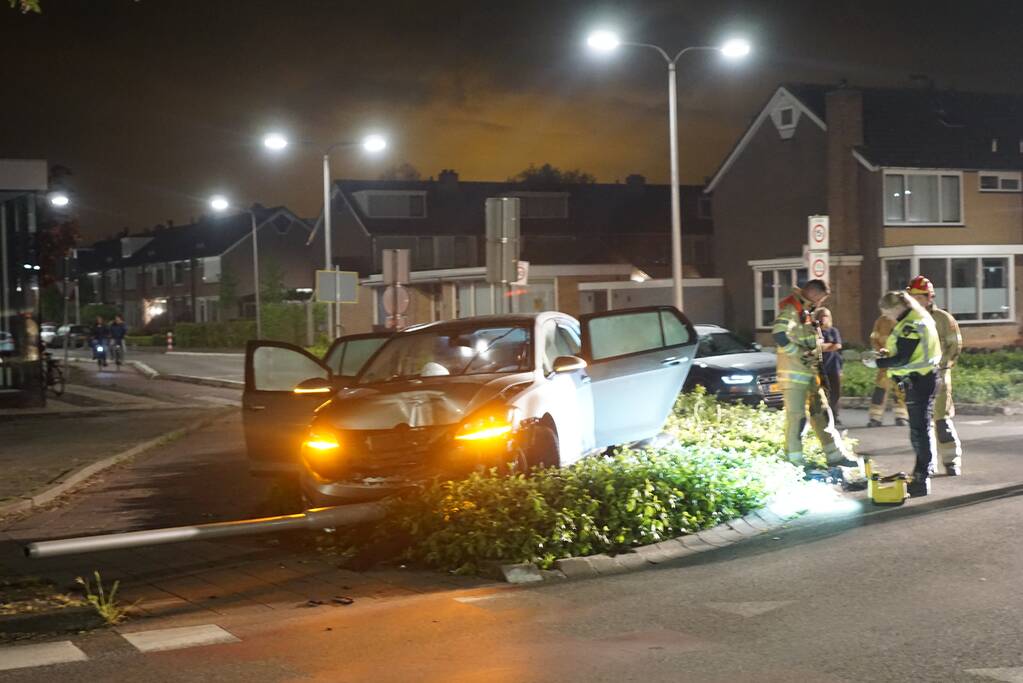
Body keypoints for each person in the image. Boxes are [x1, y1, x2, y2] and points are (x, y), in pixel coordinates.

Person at [771, 279, 857, 471]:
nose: (821, 303)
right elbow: (779, 334)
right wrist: (799, 354)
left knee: (823, 414)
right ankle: (795, 462)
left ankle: (834, 455)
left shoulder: (804, 311)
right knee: (797, 418)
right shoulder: (791, 311)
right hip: (794, 375)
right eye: (820, 298)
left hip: (808, 373)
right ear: (812, 293)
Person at [862, 291, 941, 497]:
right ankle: (922, 471)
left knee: (918, 430)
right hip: (924, 378)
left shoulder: (910, 324)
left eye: (887, 312)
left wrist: (876, 363)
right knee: (920, 428)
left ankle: (921, 477)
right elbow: (907, 353)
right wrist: (886, 355)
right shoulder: (918, 317)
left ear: (896, 307)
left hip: (919, 380)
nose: (887, 317)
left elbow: (903, 359)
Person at [906, 276, 964, 476]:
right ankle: (926, 465)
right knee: (921, 425)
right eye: (912, 296)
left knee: (941, 421)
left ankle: (951, 461)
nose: (915, 301)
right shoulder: (908, 320)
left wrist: (943, 366)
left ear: (929, 297)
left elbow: (954, 346)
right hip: (916, 379)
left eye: (919, 297)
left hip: (939, 377)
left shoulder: (942, 319)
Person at [867, 314, 909, 427]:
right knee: (880, 390)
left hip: (899, 361)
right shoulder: (881, 321)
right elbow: (874, 338)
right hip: (885, 361)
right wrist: (880, 351)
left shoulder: (906, 320)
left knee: (900, 389)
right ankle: (875, 417)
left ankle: (902, 416)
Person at [814, 307, 843, 426]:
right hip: (820, 366)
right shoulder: (814, 331)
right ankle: (824, 416)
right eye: (821, 316)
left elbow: (838, 345)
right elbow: (814, 347)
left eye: (825, 316)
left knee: (835, 392)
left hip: (833, 365)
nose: (823, 318)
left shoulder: (833, 331)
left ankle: (834, 415)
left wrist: (823, 347)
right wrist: (829, 346)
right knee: (822, 392)